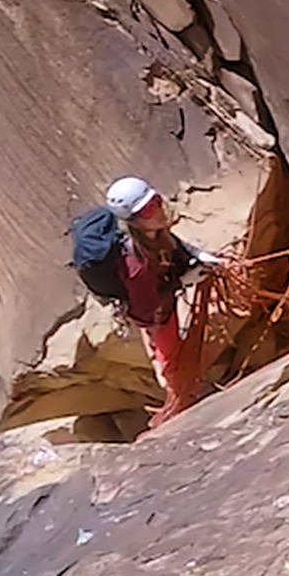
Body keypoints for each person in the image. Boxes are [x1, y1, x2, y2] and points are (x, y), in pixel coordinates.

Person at [92, 176, 211, 427]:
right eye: (147, 210)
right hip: (153, 315)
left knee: (166, 348)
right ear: (133, 221)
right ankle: (182, 397)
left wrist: (199, 256)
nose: (157, 210)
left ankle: (183, 388)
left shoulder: (153, 233)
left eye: (156, 201)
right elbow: (148, 306)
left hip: (159, 300)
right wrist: (183, 281)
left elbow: (174, 246)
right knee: (170, 355)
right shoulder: (135, 263)